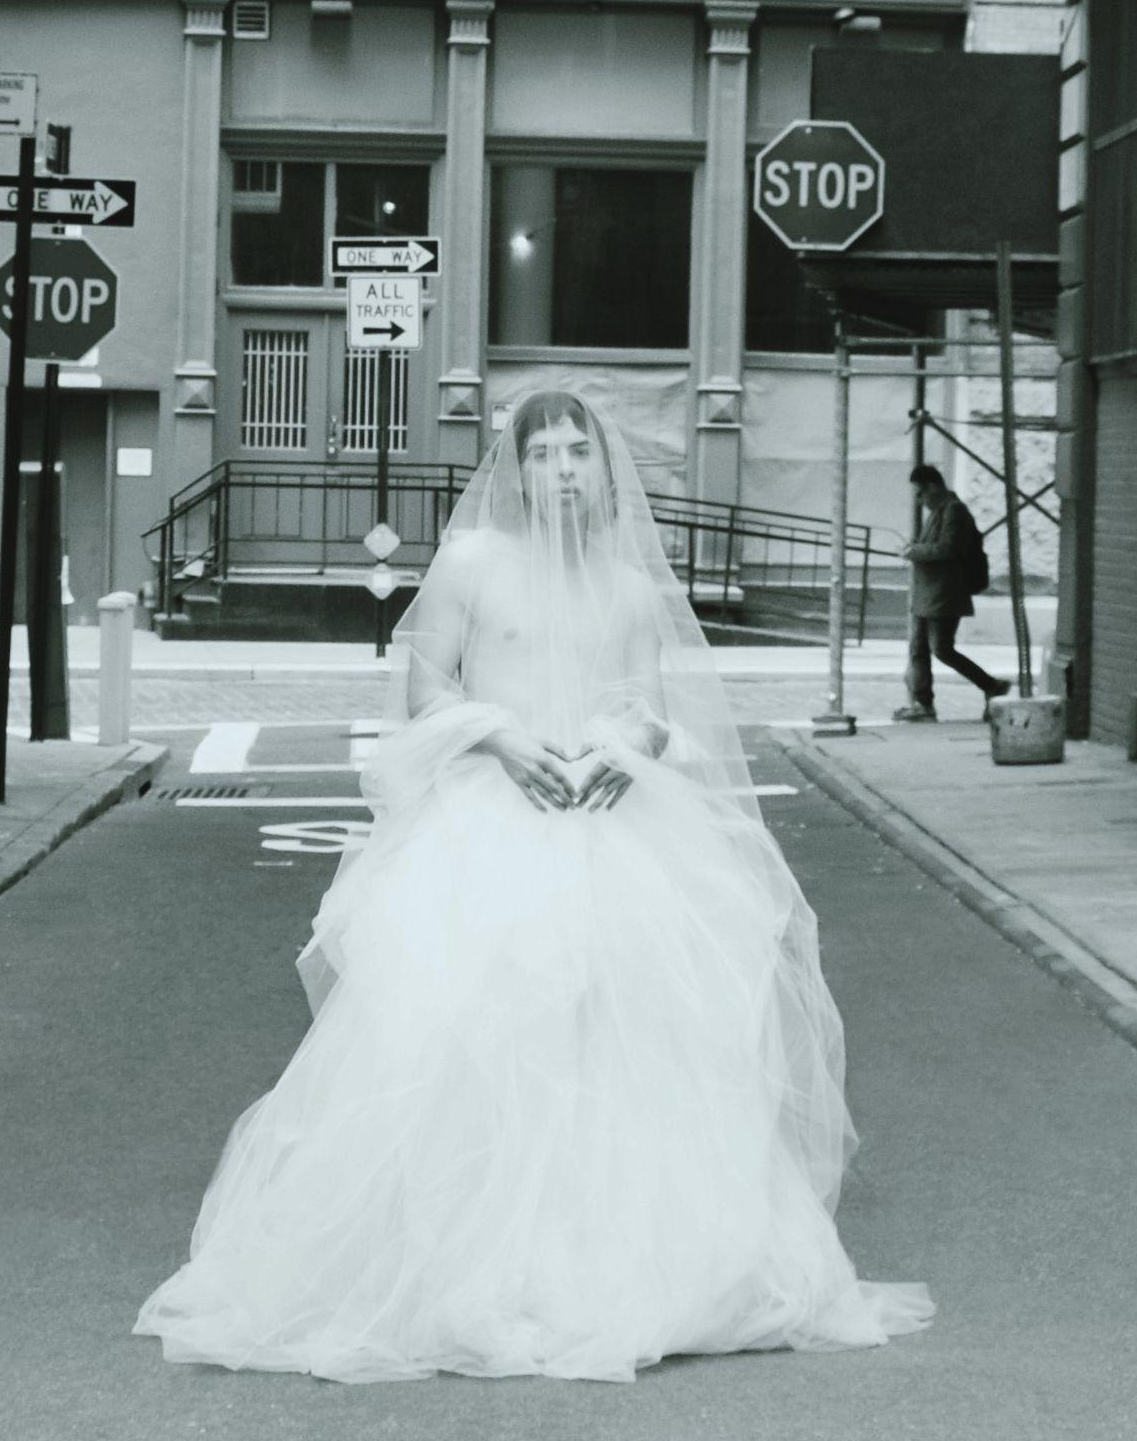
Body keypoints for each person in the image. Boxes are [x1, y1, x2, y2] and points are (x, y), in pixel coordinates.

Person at [134, 390, 931, 1383]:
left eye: (577, 451)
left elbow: (646, 698)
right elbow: (427, 687)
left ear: (602, 468)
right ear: (513, 469)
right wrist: (499, 736)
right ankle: (467, 1263)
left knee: (622, 1039)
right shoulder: (472, 566)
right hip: (491, 822)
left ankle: (628, 1261)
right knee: (473, 1036)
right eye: (542, 452)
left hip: (610, 826)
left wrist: (626, 743)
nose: (562, 468)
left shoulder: (627, 585)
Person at [895, 464, 1010, 723]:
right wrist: (916, 548)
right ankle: (923, 704)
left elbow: (947, 549)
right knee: (919, 649)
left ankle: (991, 685)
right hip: (929, 594)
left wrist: (915, 552)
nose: (918, 499)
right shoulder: (940, 510)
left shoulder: (954, 511)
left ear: (933, 487)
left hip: (943, 594)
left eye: (920, 493)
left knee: (942, 649)